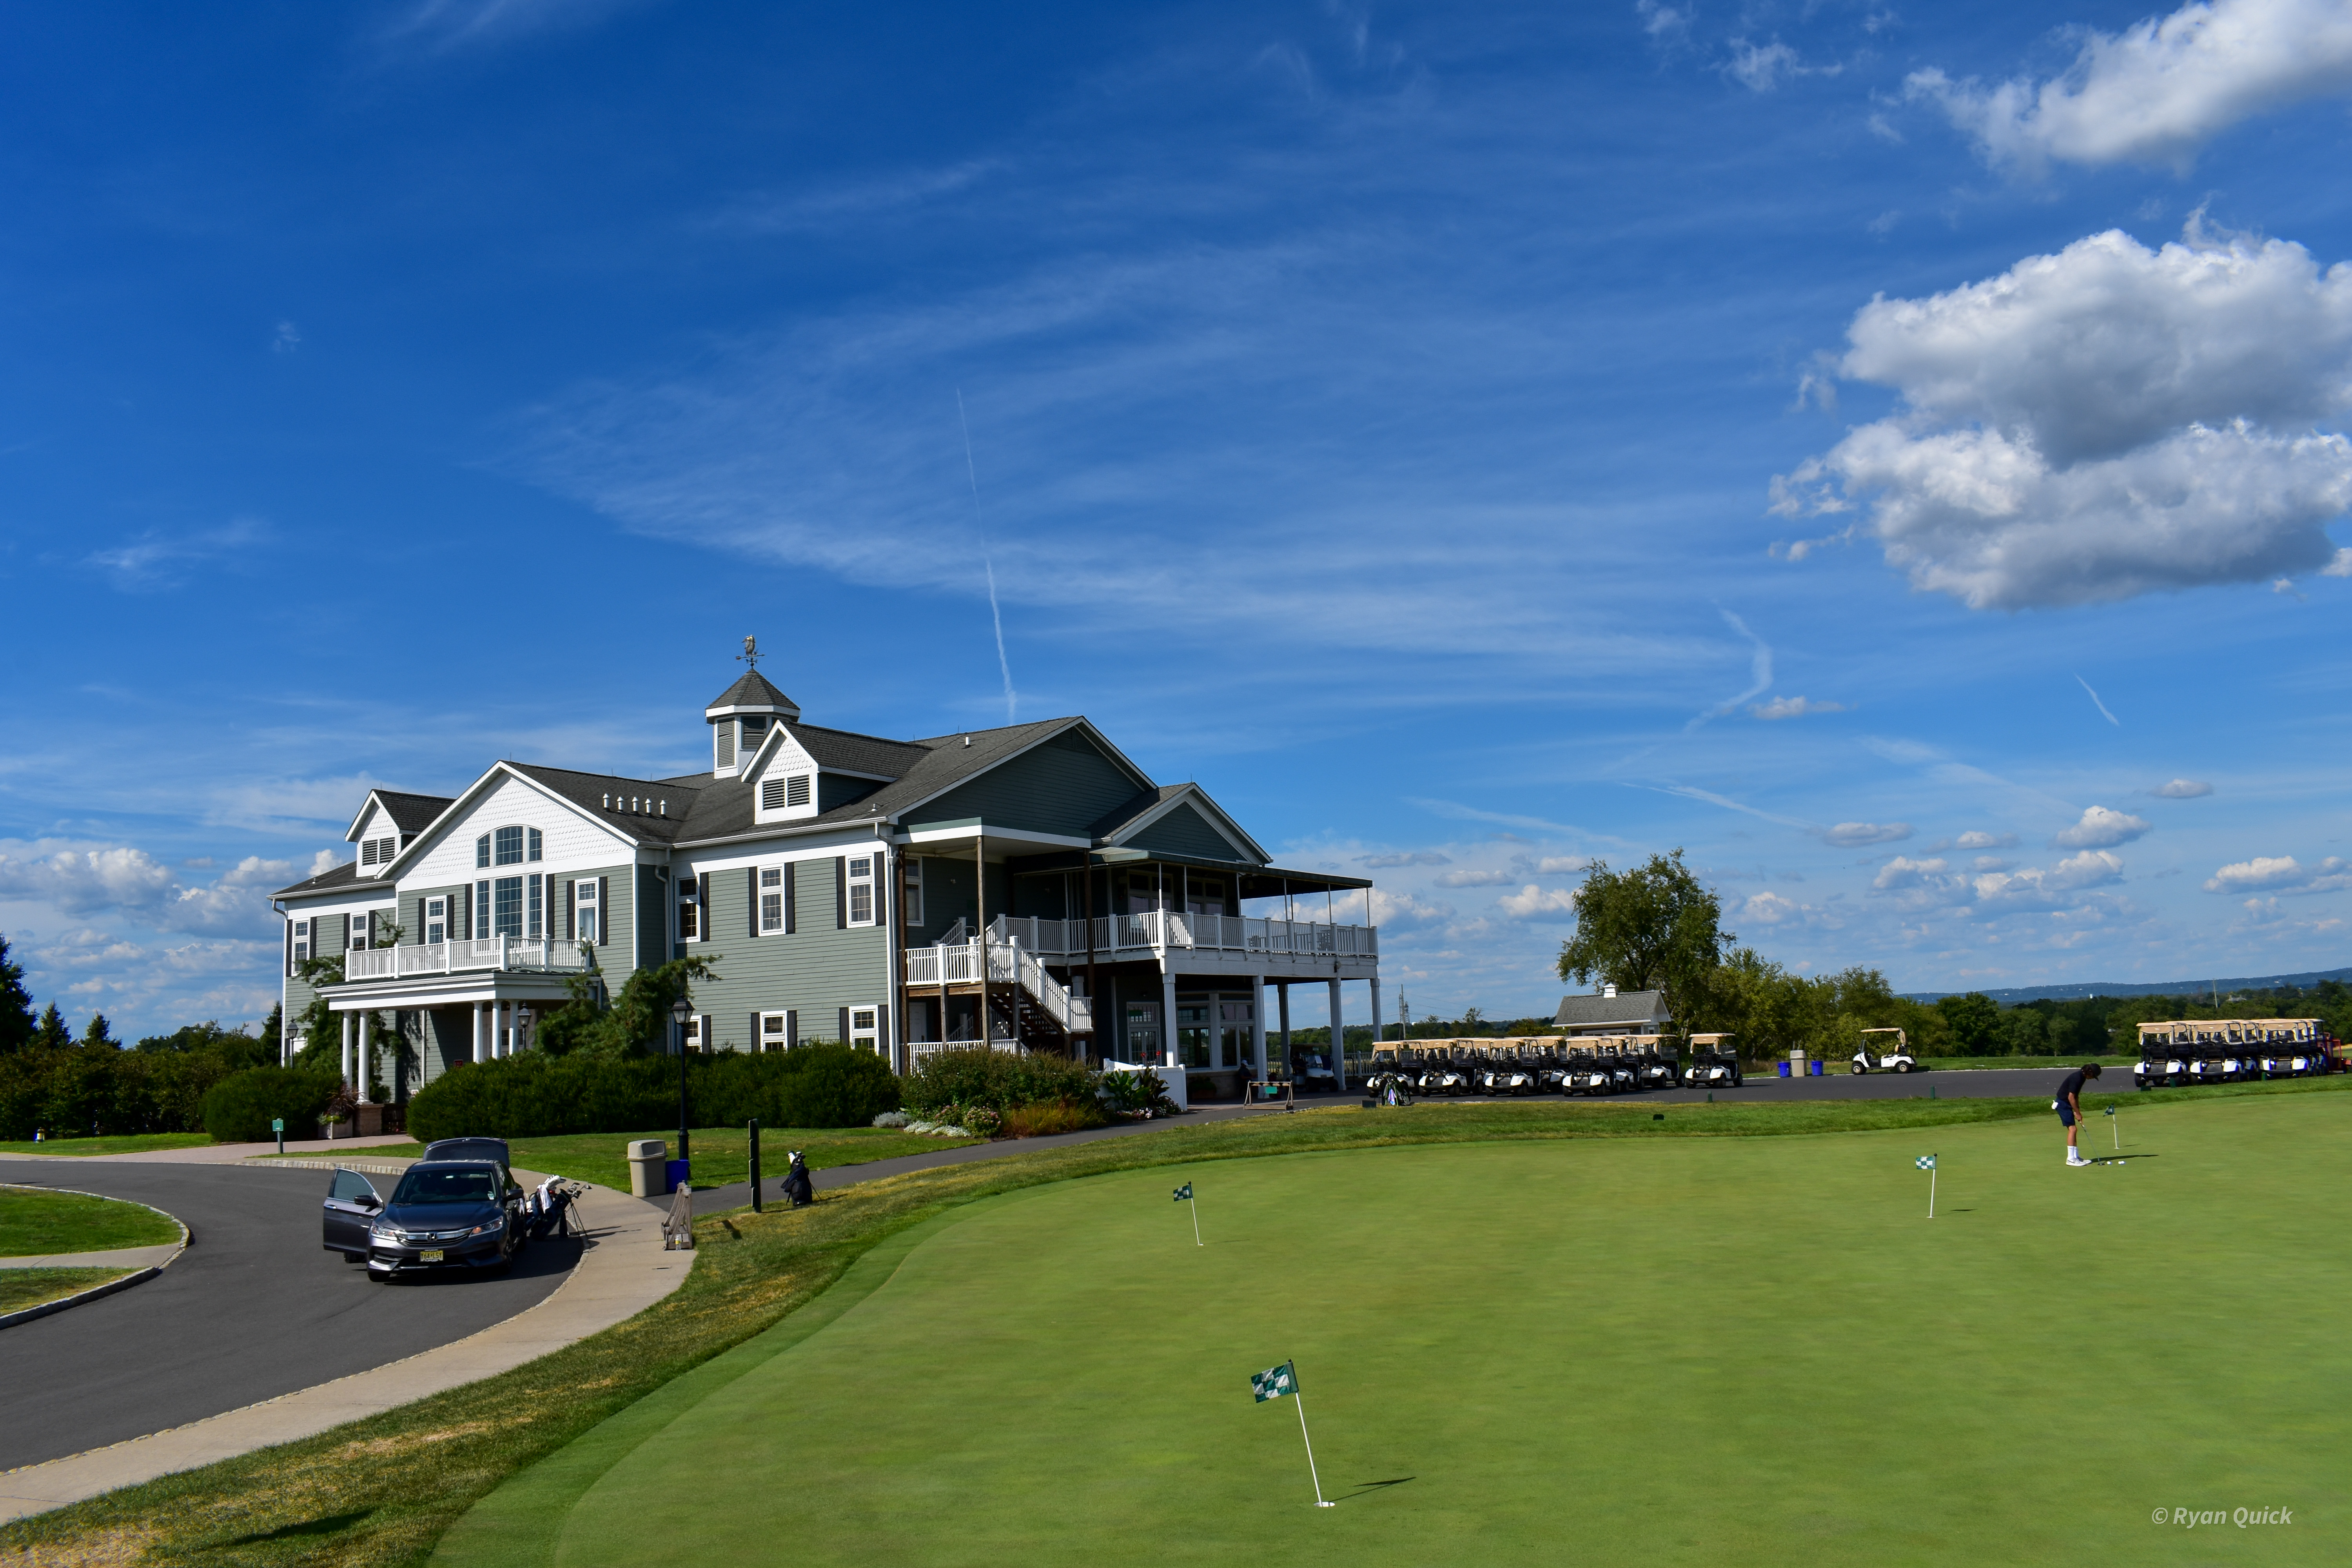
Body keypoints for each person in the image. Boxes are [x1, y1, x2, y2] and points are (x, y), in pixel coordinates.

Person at [2057, 1062, 2102, 1166]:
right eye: (2093, 1076)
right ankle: (2071, 1159)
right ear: (2089, 1072)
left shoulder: (2082, 1077)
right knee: (2073, 1129)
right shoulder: (2077, 1078)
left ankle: (2076, 1157)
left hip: (2067, 1103)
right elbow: (2071, 1097)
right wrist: (2077, 1113)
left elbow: (2076, 1096)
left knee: (2074, 1130)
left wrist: (2078, 1110)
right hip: (2063, 1104)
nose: (2092, 1078)